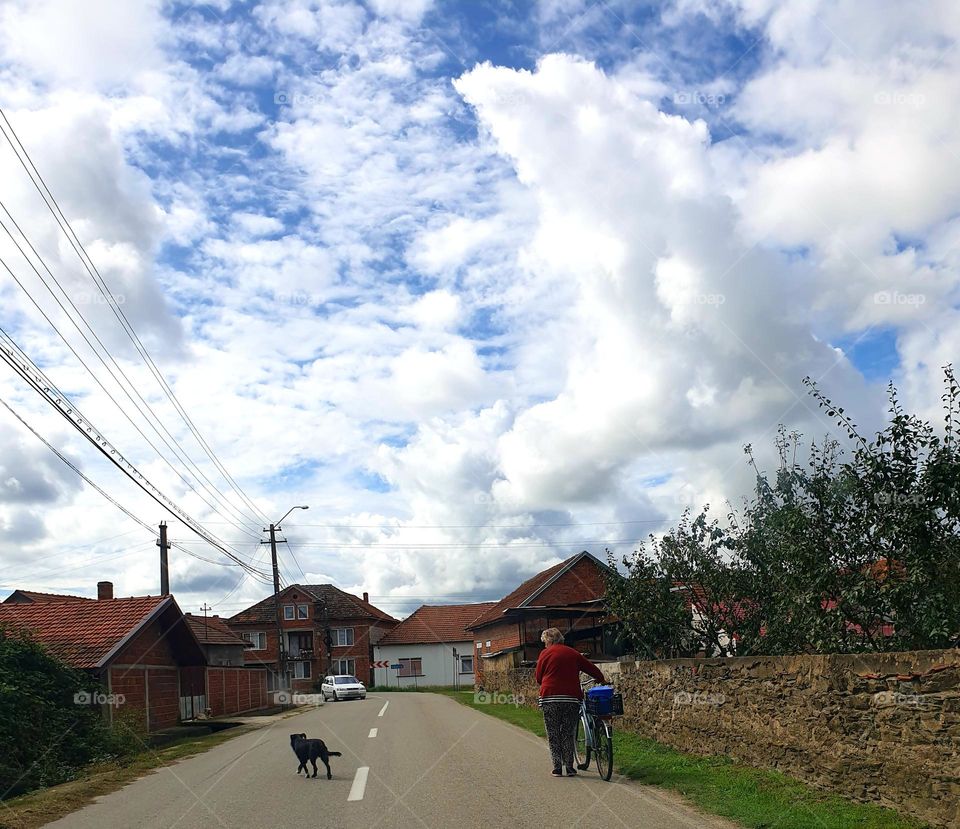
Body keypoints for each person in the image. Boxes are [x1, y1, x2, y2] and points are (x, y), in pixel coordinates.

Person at [534, 627, 606, 777]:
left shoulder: (544, 654)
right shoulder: (573, 653)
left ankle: (557, 767)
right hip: (571, 698)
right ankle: (570, 767)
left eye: (545, 642)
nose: (545, 646)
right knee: (567, 732)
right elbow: (590, 668)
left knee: (553, 733)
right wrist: (601, 678)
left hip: (550, 697)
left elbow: (538, 678)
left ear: (549, 640)